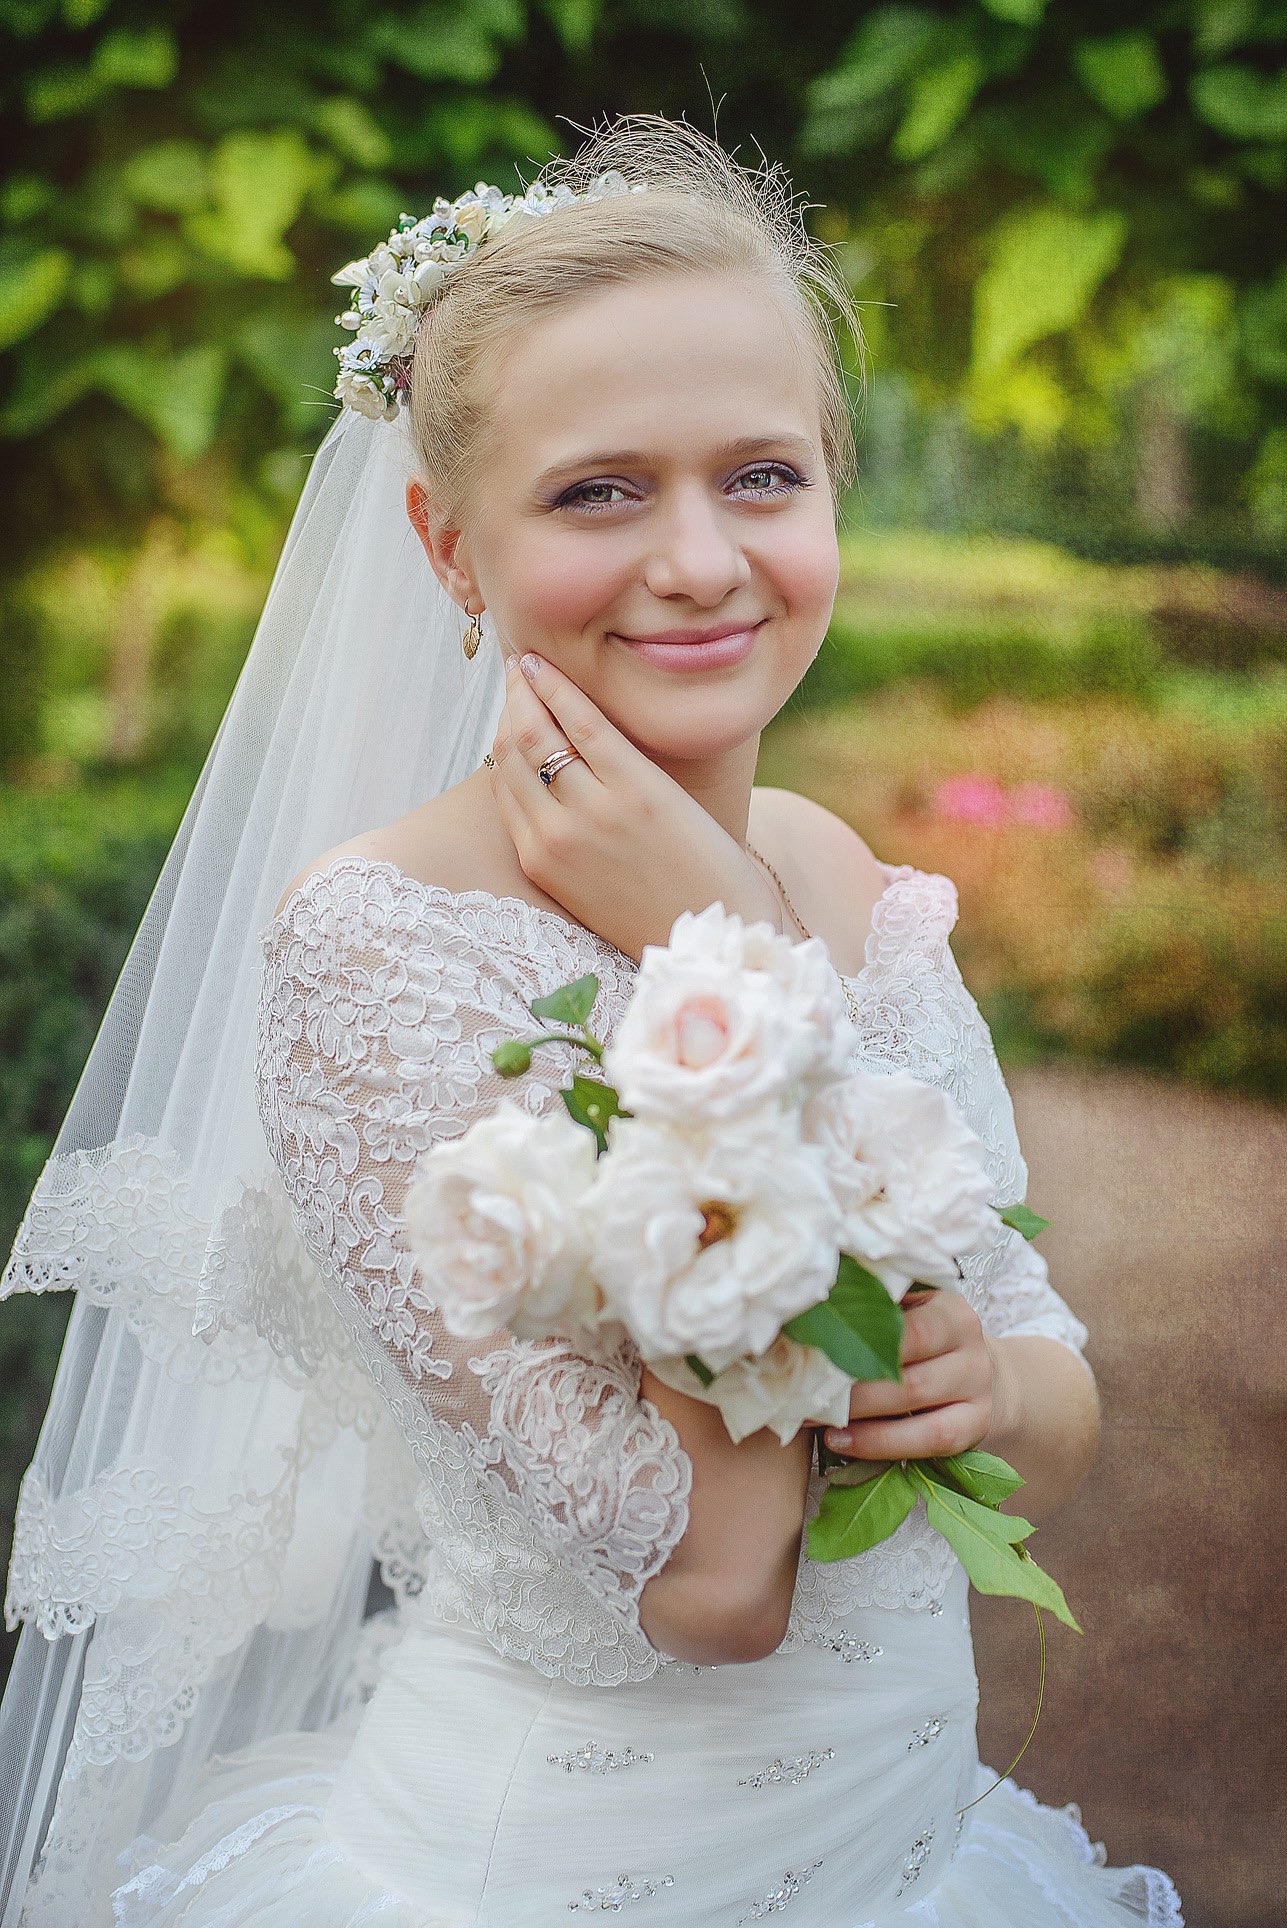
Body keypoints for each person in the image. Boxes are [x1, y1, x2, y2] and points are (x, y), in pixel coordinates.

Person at [0, 116, 1182, 1927]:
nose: (701, 558)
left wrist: (985, 1382)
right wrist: (711, 940)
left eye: (766, 476)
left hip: (921, 1864)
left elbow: (1055, 1399)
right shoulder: (385, 951)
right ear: (446, 543)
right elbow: (720, 1587)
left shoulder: (845, 879)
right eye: (598, 491)